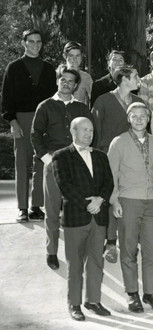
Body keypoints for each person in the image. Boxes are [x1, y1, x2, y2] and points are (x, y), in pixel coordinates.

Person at [31, 65, 93, 270]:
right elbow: (35, 135)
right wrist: (48, 159)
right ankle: (51, 252)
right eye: (63, 79)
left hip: (77, 165)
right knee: (52, 209)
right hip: (54, 163)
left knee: (76, 209)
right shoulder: (45, 106)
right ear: (58, 81)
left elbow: (91, 134)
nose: (66, 83)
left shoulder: (82, 108)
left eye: (71, 81)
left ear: (76, 86)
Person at [51, 117, 114, 321]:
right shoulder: (61, 156)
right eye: (84, 130)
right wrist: (89, 204)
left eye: (91, 130)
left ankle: (93, 301)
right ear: (73, 131)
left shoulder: (101, 156)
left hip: (99, 219)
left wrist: (100, 199)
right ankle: (74, 304)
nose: (88, 134)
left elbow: (108, 183)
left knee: (96, 262)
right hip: (76, 218)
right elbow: (65, 186)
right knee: (75, 264)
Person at [107, 103, 153, 313]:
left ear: (149, 118)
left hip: (150, 202)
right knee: (129, 250)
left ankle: (150, 292)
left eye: (143, 116)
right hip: (128, 201)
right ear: (128, 118)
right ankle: (132, 294)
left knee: (151, 250)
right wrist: (115, 200)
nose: (139, 119)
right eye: (135, 116)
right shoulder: (119, 142)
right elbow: (110, 175)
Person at [1, 29, 57, 223]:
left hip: (44, 119)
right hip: (22, 119)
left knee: (41, 162)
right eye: (31, 41)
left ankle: (36, 206)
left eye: (38, 42)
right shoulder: (14, 67)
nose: (35, 45)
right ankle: (22, 208)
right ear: (24, 43)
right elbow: (6, 97)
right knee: (22, 163)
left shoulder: (49, 69)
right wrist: (12, 121)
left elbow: (53, 98)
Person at [92, 65, 144, 263]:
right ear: (124, 79)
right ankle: (111, 243)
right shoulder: (103, 100)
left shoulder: (138, 102)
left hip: (132, 160)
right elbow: (95, 131)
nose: (139, 78)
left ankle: (129, 243)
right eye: (135, 76)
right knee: (109, 200)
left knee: (128, 200)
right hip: (107, 158)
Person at [62, 41, 93, 106]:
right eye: (71, 56)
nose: (74, 59)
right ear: (65, 56)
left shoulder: (86, 77)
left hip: (79, 114)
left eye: (77, 56)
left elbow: (93, 99)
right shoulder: (59, 75)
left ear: (82, 57)